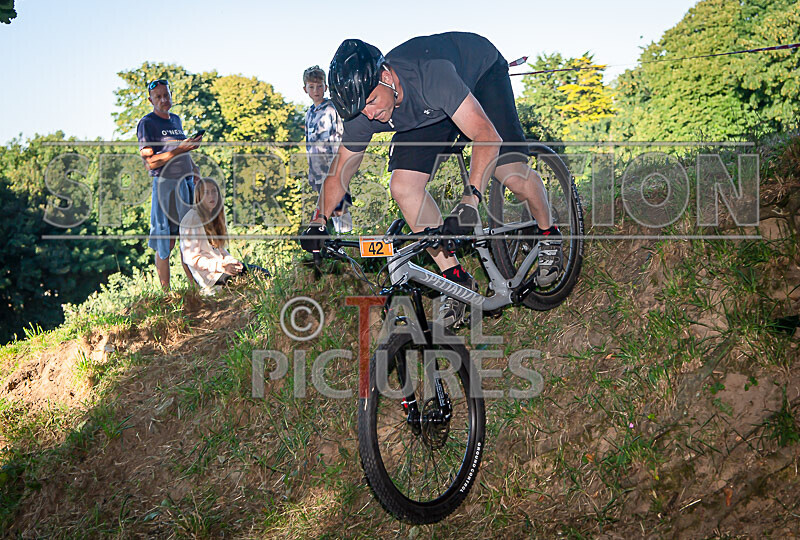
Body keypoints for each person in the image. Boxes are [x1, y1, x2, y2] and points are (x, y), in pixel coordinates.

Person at [300, 32, 563, 327]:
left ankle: (549, 234)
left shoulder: (430, 75)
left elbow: (485, 135)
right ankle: (455, 279)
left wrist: (470, 200)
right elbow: (340, 172)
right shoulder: (364, 111)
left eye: (372, 101)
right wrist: (318, 220)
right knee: (403, 186)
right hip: (425, 111)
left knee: (509, 172)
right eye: (362, 109)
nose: (371, 115)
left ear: (386, 75)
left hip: (479, 74)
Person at [137, 79, 203, 292]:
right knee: (167, 242)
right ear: (150, 100)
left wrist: (196, 173)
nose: (164, 100)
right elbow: (150, 163)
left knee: (188, 238)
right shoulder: (147, 124)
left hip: (186, 185)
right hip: (165, 186)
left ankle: (195, 289)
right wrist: (179, 150)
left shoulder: (175, 120)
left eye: (166, 95)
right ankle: (165, 294)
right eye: (159, 97)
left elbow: (183, 153)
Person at [180, 178, 270, 293]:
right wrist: (221, 266)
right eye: (206, 193)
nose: (211, 196)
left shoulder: (214, 216)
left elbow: (220, 250)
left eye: (214, 191)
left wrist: (231, 261)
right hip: (211, 277)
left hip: (222, 268)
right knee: (255, 283)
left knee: (264, 273)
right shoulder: (192, 219)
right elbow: (191, 259)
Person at [302, 65, 351, 233]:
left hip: (333, 167)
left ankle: (347, 239)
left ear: (326, 87)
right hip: (317, 170)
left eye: (320, 86)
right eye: (312, 87)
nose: (316, 90)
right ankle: (333, 243)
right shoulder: (309, 114)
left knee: (339, 207)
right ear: (305, 89)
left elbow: (339, 135)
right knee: (324, 209)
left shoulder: (331, 109)